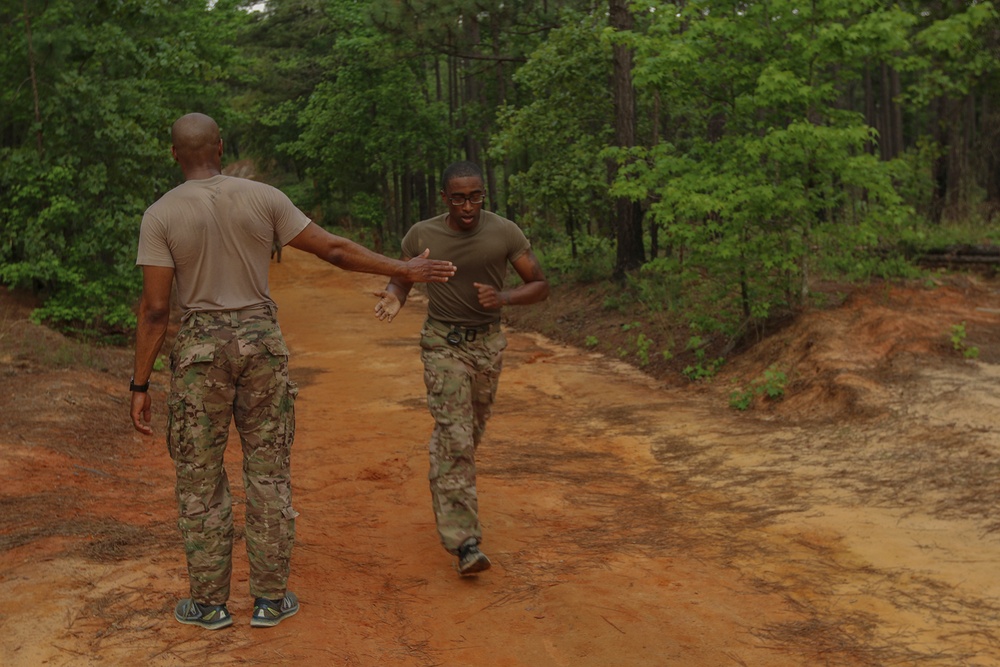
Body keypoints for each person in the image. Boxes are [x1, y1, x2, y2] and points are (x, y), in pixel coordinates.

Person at [129, 112, 455, 630]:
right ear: (220, 146)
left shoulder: (160, 215)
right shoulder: (264, 198)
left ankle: (211, 605)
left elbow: (154, 311)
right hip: (262, 345)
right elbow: (334, 250)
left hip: (199, 353)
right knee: (268, 473)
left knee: (200, 479)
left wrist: (140, 383)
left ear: (173, 154)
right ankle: (270, 600)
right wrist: (403, 269)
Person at [374, 160, 549, 575]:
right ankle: (465, 543)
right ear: (445, 198)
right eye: (459, 198)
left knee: (468, 437)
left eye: (475, 197)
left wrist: (504, 299)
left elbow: (539, 285)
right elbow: (404, 276)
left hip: (488, 346)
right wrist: (394, 296)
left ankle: (446, 469)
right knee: (456, 437)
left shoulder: (505, 232)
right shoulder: (423, 234)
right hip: (442, 344)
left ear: (483, 195)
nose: (467, 206)